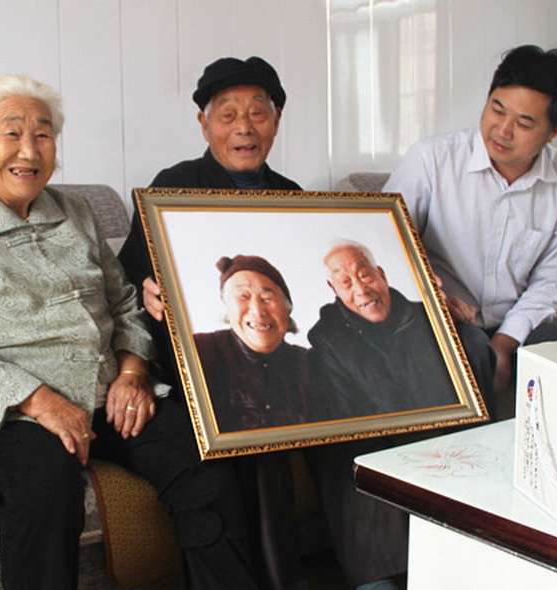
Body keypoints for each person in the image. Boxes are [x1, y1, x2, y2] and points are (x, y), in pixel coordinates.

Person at [0, 74, 259, 590]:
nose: (30, 150)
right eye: (12, 133)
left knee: (207, 470)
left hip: (110, 393)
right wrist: (42, 402)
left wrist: (133, 374)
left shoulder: (75, 211)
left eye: (43, 134)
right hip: (22, 409)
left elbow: (124, 303)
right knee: (44, 493)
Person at [119, 56, 406, 590]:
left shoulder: (292, 197)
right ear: (204, 125)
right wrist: (145, 287)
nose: (244, 128)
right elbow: (126, 288)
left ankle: (379, 578)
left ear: (276, 121)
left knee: (350, 419)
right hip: (206, 372)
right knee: (255, 427)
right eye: (227, 115)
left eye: (258, 113)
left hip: (285, 365)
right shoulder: (171, 187)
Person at [383, 45, 557, 410]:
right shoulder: (432, 160)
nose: (502, 130)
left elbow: (553, 280)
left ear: (555, 131)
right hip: (443, 320)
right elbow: (387, 242)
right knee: (469, 351)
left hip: (520, 323)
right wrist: (432, 296)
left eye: (524, 123)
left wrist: (506, 341)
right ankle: (474, 448)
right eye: (497, 109)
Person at [308, 240, 459, 419]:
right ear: (334, 289)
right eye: (345, 282)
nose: (361, 290)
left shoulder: (429, 317)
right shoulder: (328, 342)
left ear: (381, 275)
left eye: (365, 275)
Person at [195, 255, 309, 432]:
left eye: (267, 298)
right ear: (227, 307)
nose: (257, 310)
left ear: (287, 309)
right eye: (243, 297)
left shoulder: (311, 363)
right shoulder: (198, 352)